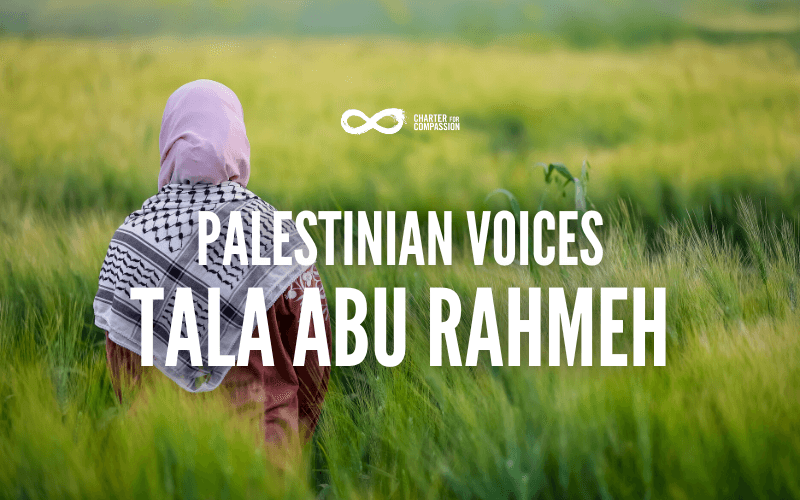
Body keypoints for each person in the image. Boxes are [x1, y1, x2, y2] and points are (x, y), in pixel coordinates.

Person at [93, 79, 331, 446]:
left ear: (170, 141)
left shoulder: (133, 238)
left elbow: (120, 358)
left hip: (154, 455)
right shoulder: (278, 236)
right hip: (261, 456)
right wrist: (294, 434)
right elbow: (314, 355)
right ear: (237, 142)